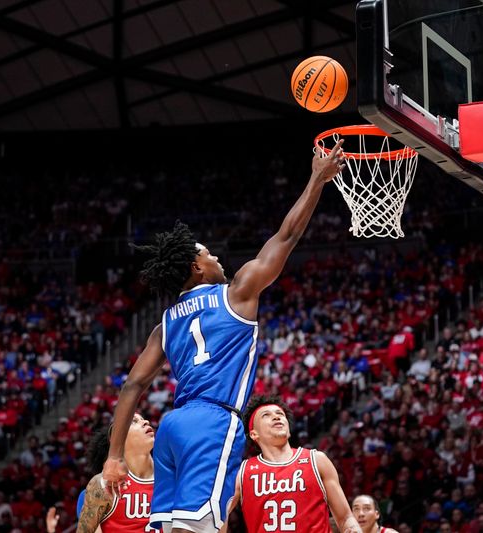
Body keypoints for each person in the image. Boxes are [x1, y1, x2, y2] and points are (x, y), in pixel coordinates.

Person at [103, 141, 346, 533]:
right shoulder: (237, 293)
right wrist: (317, 180)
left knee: (168, 527)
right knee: (199, 529)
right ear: (196, 267)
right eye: (209, 254)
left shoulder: (164, 324)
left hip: (172, 426)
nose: (217, 257)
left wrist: (113, 456)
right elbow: (286, 237)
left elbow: (132, 384)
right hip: (212, 421)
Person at [228, 395, 361, 533]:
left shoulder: (316, 460)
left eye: (280, 414)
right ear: (254, 434)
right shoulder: (243, 472)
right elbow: (217, 519)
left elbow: (345, 518)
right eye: (266, 415)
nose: (276, 417)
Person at [77, 413, 157, 533]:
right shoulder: (104, 485)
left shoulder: (172, 478)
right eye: (134, 421)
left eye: (143, 418)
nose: (145, 421)